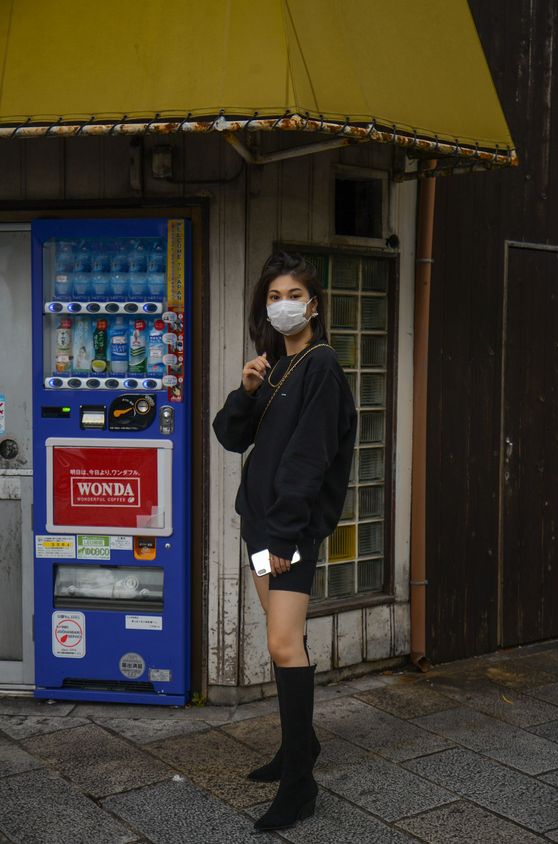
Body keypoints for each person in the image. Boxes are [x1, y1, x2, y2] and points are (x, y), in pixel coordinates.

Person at [212, 251, 357, 832]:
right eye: (272, 297)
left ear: (314, 304)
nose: (282, 305)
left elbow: (309, 458)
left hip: (285, 530)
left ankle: (300, 783)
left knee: (282, 643)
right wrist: (246, 389)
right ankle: (301, 749)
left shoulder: (320, 367)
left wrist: (286, 535)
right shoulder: (274, 365)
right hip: (260, 523)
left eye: (292, 294)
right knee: (281, 639)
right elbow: (229, 437)